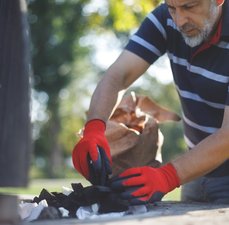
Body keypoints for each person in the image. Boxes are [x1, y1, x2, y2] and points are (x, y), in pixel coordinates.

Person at [72, 0, 229, 204]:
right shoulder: (165, 18)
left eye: (189, 7)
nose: (179, 20)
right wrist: (94, 128)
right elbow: (118, 76)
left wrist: (167, 176)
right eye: (172, 8)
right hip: (195, 172)